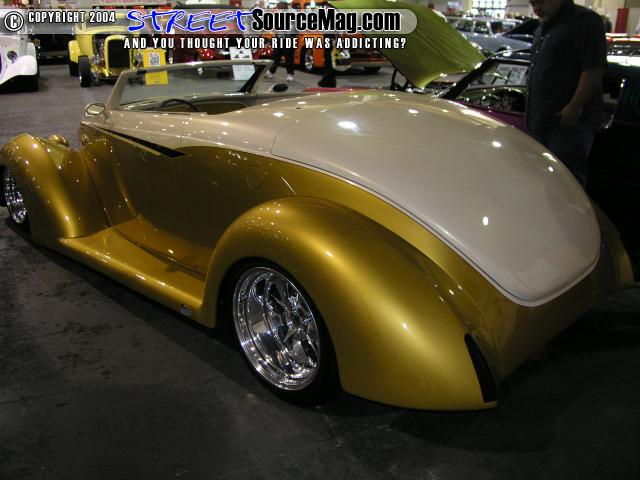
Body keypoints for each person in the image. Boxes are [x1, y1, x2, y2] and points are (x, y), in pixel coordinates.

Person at [525, 0, 607, 187]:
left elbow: (593, 69)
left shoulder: (585, 22)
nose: (536, 9)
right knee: (542, 181)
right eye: (532, 3)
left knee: (567, 182)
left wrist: (574, 106)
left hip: (567, 125)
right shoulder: (544, 27)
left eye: (539, 2)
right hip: (541, 120)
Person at [265, 1, 297, 82]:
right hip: (279, 37)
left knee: (289, 56)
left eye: (279, 6)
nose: (278, 7)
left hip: (289, 38)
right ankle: (271, 72)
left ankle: (290, 74)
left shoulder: (293, 13)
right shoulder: (279, 12)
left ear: (285, 5)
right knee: (276, 55)